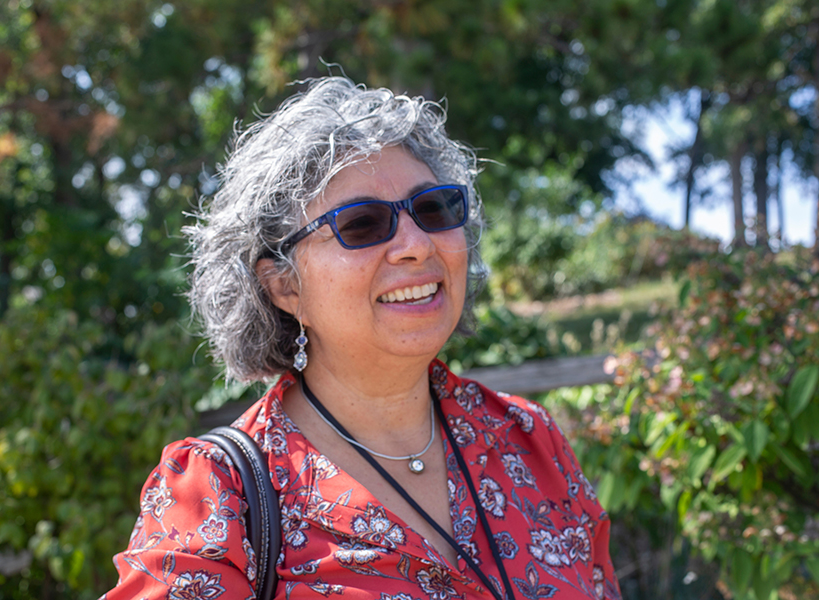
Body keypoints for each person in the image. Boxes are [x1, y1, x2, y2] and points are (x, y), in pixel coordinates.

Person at [101, 76, 622, 600]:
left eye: (434, 208)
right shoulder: (217, 498)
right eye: (362, 224)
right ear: (284, 287)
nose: (416, 245)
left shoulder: (530, 440)